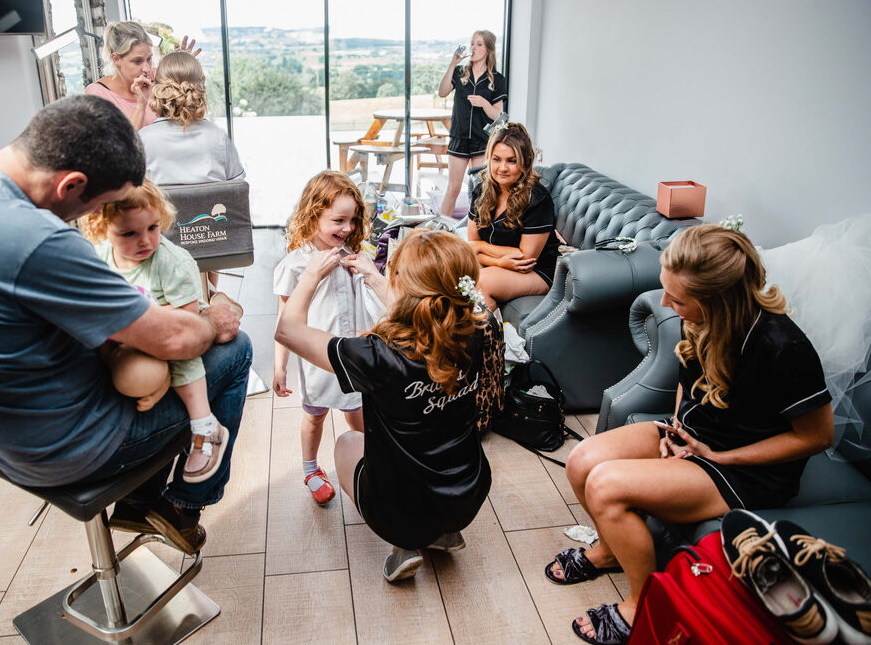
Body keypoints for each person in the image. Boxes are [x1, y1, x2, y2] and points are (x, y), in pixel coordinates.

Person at [0, 95, 252, 557]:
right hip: (64, 450)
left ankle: (148, 497)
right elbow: (176, 336)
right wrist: (209, 316)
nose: (84, 221)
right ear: (71, 185)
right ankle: (177, 504)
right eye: (96, 206)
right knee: (236, 350)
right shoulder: (36, 240)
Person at [548, 224, 834, 644]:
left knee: (606, 487)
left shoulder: (782, 346)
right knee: (582, 460)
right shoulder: (700, 318)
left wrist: (724, 458)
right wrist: (679, 423)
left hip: (741, 468)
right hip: (693, 438)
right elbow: (689, 377)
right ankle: (610, 551)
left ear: (719, 299)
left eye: (677, 299)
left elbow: (817, 436)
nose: (665, 303)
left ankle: (641, 603)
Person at [275, 229, 502, 582]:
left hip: (401, 514)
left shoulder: (378, 356)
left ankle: (404, 544)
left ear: (401, 284)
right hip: (469, 493)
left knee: (347, 443)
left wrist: (309, 276)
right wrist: (375, 277)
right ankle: (443, 532)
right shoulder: (479, 327)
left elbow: (287, 330)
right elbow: (427, 306)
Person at [80, 180, 229, 484]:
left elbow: (187, 324)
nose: (145, 241)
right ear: (101, 228)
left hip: (176, 325)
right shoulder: (101, 257)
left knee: (184, 354)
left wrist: (144, 321)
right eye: (129, 234)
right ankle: (154, 386)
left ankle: (204, 424)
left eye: (153, 227)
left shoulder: (171, 262)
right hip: (129, 337)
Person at [272, 171, 380, 505]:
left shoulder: (352, 258)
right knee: (314, 415)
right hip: (318, 360)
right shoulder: (295, 265)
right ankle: (310, 469)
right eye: (338, 220)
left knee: (359, 415)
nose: (347, 228)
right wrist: (279, 367)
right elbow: (284, 321)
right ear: (312, 215)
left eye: (352, 220)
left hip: (353, 357)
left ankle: (372, 464)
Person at [140, 50, 246, 294]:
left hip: (160, 249)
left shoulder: (143, 140)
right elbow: (236, 192)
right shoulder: (217, 137)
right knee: (212, 219)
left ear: (158, 87)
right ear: (201, 87)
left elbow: (133, 196)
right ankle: (209, 295)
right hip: (212, 248)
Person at [467, 122, 560, 309]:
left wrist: (481, 247)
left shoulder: (537, 199)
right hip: (502, 263)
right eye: (496, 159)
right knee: (448, 274)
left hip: (536, 271)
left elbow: (524, 258)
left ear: (524, 162)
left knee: (479, 283)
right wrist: (498, 260)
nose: (502, 168)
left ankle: (488, 337)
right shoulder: (481, 191)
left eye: (511, 160)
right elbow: (471, 247)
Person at [437, 30, 507, 218]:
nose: (473, 48)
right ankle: (440, 233)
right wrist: (453, 63)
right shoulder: (460, 72)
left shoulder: (497, 80)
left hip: (482, 140)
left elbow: (498, 116)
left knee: (479, 192)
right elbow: (442, 92)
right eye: (472, 43)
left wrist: (484, 103)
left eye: (479, 44)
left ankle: (475, 234)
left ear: (489, 50)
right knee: (453, 188)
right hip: (459, 137)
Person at [84, 21, 201, 131]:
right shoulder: (98, 94)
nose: (147, 68)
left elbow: (186, 117)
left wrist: (183, 70)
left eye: (149, 59)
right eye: (137, 61)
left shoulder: (158, 76)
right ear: (116, 59)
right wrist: (141, 105)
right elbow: (121, 147)